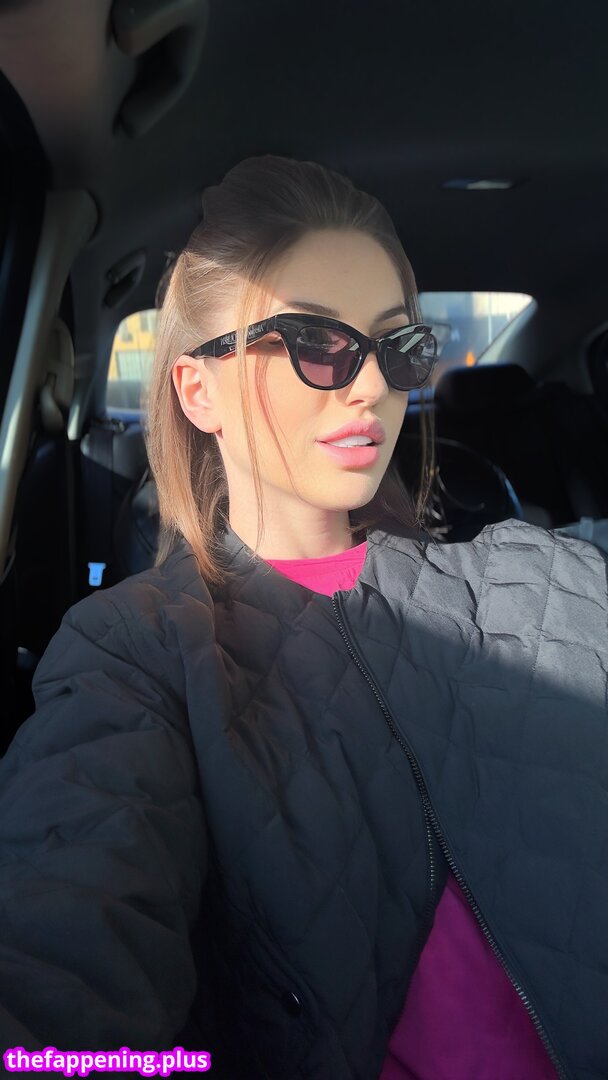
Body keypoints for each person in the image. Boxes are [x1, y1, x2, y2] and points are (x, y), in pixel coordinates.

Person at [0, 155, 606, 1080]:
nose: (370, 389)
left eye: (399, 348)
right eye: (318, 343)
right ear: (198, 390)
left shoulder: (530, 580)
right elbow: (66, 958)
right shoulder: (138, 652)